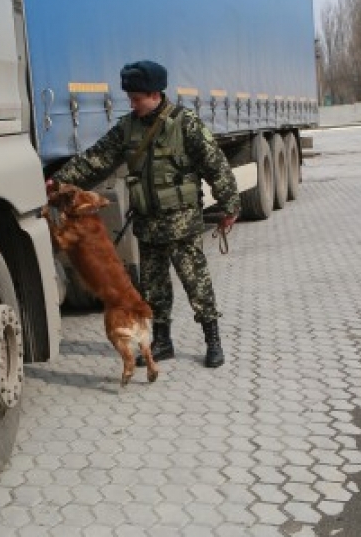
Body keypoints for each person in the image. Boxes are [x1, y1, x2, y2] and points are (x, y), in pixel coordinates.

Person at [48, 60, 240, 368]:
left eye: (137, 98)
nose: (133, 104)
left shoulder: (184, 123)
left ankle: (213, 341)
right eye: (131, 99)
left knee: (197, 284)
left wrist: (229, 205)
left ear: (155, 94)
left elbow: (215, 165)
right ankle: (162, 342)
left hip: (182, 225)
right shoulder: (127, 128)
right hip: (148, 225)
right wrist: (60, 180)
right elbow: (97, 158)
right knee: (153, 288)